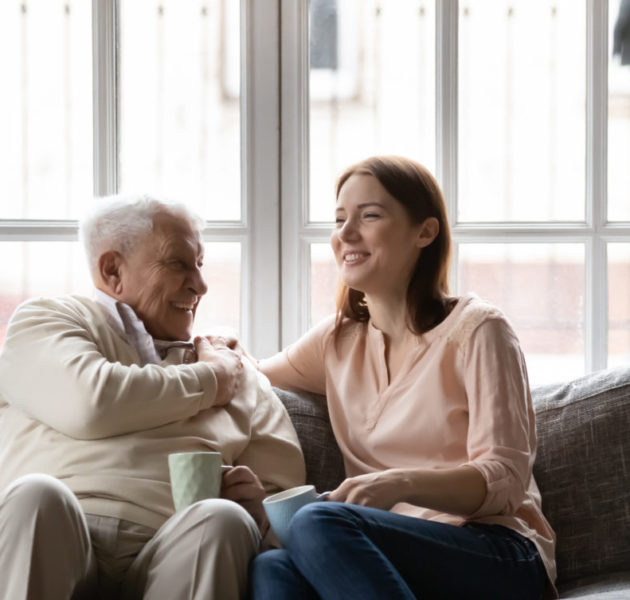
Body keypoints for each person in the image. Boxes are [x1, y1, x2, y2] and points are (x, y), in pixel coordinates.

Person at [250, 156, 556, 599]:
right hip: (386, 558)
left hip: (498, 552)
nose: (345, 233)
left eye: (369, 215)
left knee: (317, 522)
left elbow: (505, 479)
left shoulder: (478, 330)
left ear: (425, 232)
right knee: (272, 566)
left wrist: (396, 483)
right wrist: (208, 345)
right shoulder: (337, 342)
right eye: (339, 219)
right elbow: (252, 375)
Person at [0, 195, 305, 600]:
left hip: (174, 545)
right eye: (179, 264)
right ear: (112, 270)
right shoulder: (48, 321)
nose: (200, 284)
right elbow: (91, 403)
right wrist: (211, 380)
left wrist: (260, 511)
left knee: (223, 518)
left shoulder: (238, 372)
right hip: (60, 536)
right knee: (37, 495)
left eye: (199, 264)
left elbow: (289, 503)